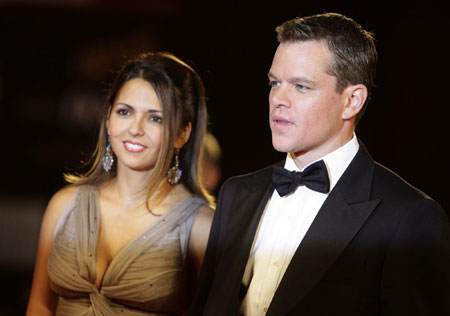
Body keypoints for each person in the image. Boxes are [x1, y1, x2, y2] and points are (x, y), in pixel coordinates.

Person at [188, 12, 450, 316]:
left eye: (301, 86)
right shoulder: (237, 194)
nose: (278, 99)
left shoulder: (408, 218)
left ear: (352, 100)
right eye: (275, 83)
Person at [26, 52, 214, 315]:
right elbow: (40, 305)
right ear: (108, 119)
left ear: (182, 134)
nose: (135, 128)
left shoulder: (202, 227)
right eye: (125, 112)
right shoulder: (64, 204)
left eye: (155, 118)